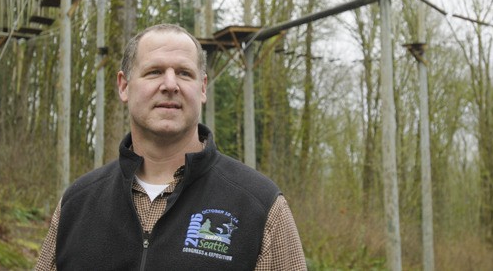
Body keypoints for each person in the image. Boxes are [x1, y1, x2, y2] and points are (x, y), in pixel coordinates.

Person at [35, 23, 307, 270]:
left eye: (184, 73)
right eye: (154, 72)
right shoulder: (77, 204)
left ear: (202, 89)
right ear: (124, 86)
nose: (170, 84)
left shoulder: (260, 206)